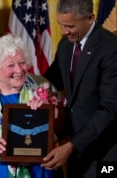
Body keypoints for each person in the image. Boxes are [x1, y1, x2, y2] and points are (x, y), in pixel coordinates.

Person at [0, 34, 66, 178]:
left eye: (22, 62)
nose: (19, 70)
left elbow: (64, 127)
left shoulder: (43, 86)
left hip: (38, 169)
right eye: (11, 65)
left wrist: (48, 112)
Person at [42, 0, 117, 178]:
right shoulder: (66, 45)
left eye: (69, 26)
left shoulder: (111, 49)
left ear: (89, 18)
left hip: (107, 153)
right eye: (60, 24)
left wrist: (71, 146)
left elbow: (110, 109)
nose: (63, 31)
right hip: (77, 154)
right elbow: (50, 81)